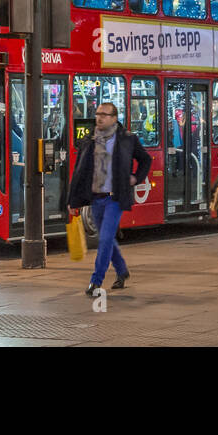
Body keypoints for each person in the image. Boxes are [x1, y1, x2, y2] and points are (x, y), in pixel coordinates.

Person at [66, 101, 153, 296]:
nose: (99, 117)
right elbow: (79, 172)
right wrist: (73, 201)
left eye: (104, 114)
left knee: (105, 238)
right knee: (107, 239)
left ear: (114, 118)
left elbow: (146, 159)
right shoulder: (89, 140)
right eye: (97, 114)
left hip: (115, 198)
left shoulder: (127, 139)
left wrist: (136, 178)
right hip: (96, 199)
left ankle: (96, 281)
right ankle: (122, 271)